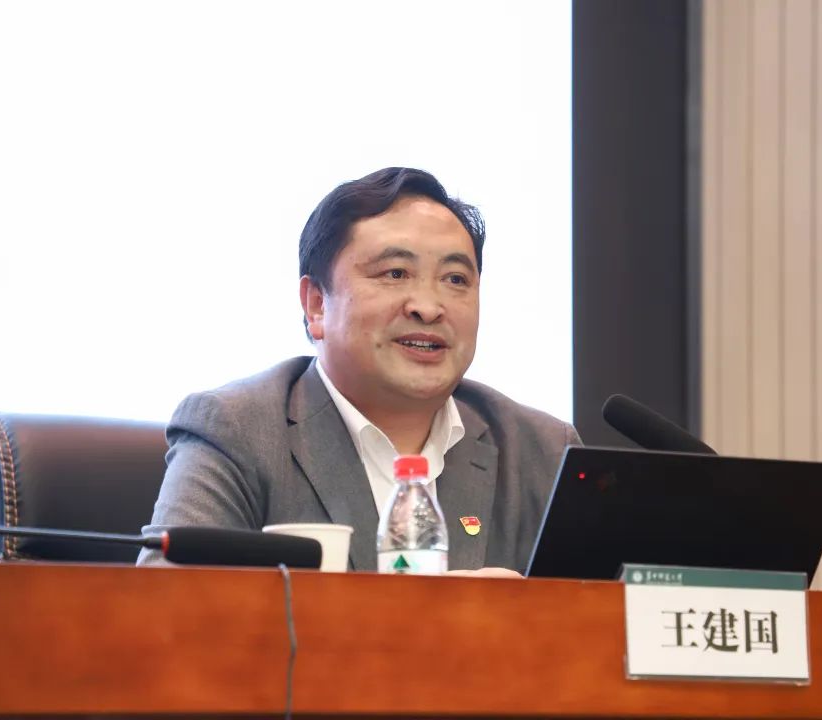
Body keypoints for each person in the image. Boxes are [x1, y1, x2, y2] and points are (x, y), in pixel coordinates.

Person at [138, 167, 582, 573]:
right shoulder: (239, 432)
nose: (428, 307)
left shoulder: (542, 452)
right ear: (316, 305)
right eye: (395, 273)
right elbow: (163, 612)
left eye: (455, 280)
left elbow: (609, 622)